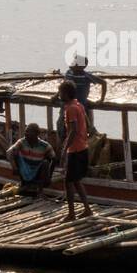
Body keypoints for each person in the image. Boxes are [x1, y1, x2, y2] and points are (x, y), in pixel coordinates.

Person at [59, 80, 94, 220]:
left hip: (75, 149)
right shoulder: (78, 104)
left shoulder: (71, 109)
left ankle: (71, 213)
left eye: (60, 92)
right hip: (82, 147)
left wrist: (64, 150)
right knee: (76, 180)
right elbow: (87, 124)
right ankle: (87, 209)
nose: (59, 95)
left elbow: (72, 131)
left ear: (66, 94)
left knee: (68, 182)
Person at [7, 123, 56, 193]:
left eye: (28, 131)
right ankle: (24, 183)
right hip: (24, 170)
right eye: (25, 131)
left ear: (36, 134)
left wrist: (49, 176)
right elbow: (9, 152)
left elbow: (54, 158)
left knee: (45, 163)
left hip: (36, 172)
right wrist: (14, 167)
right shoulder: (21, 142)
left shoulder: (45, 145)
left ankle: (40, 190)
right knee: (14, 154)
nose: (25, 133)